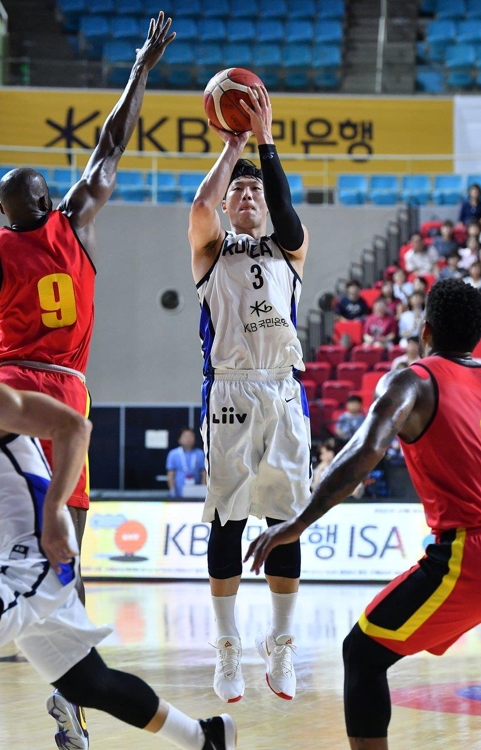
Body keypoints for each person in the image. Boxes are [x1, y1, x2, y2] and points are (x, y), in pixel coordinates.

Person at [245, 278, 481, 750]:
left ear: (424, 331)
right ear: (479, 336)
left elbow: (366, 449)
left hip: (476, 551)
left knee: (361, 653)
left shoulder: (413, 380)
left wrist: (298, 521)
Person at [0, 12, 175, 604]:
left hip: (7, 380)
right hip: (64, 384)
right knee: (69, 505)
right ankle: (72, 616)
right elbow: (110, 145)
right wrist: (137, 70)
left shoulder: (0, 245)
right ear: (48, 198)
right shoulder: (73, 222)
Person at [0, 382, 236, 750]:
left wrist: (54, 509)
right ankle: (203, 737)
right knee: (88, 683)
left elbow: (75, 427)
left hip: (33, 555)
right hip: (7, 561)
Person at [188, 85, 309, 703]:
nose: (246, 193)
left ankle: (281, 646)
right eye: (239, 188)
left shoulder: (290, 243)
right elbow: (198, 207)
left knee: (285, 522)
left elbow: (287, 213)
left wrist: (264, 144)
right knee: (229, 522)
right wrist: (232, 146)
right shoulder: (211, 250)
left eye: (254, 187)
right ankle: (228, 646)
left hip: (284, 392)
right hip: (231, 393)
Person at [166, 427, 206, 497]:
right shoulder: (173, 454)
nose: (188, 439)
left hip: (196, 493)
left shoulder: (200, 454)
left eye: (191, 436)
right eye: (185, 436)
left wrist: (203, 489)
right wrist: (172, 490)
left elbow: (204, 473)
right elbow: (170, 474)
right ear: (179, 439)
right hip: (178, 493)